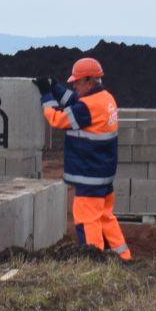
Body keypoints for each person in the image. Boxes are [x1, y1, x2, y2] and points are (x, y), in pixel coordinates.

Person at [34, 57, 130, 261]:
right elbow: (76, 102)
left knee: (87, 221)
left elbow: (57, 119)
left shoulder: (87, 108)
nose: (74, 85)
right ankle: (124, 258)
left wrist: (46, 95)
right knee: (105, 218)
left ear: (89, 80)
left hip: (89, 177)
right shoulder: (106, 99)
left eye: (77, 81)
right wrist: (56, 88)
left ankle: (94, 262)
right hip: (103, 177)